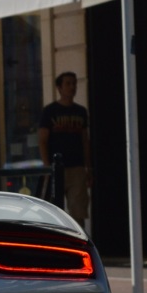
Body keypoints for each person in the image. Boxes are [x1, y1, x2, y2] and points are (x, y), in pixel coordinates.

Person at [38, 72, 92, 225]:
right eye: (68, 84)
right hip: (56, 168)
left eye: (74, 83)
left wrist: (88, 167)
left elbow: (84, 140)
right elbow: (42, 139)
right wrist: (47, 166)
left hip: (77, 167)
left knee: (78, 212)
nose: (72, 87)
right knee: (54, 211)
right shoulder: (50, 111)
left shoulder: (81, 112)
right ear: (59, 88)